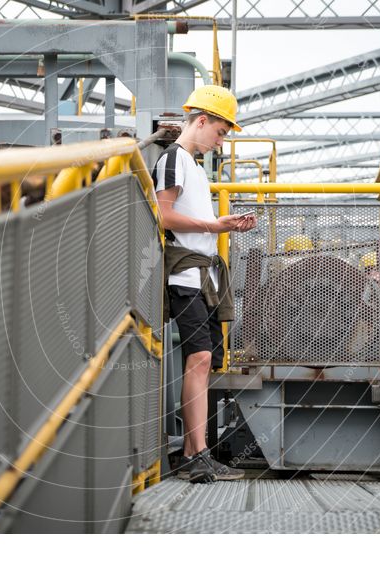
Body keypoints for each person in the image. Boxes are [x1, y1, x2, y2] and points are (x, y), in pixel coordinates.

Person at [152, 85, 257, 483]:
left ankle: (199, 452)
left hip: (202, 275)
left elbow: (190, 220)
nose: (222, 140)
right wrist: (216, 225)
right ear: (201, 121)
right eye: (222, 131)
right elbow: (164, 217)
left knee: (205, 360)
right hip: (186, 276)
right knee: (197, 359)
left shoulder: (193, 167)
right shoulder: (173, 160)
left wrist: (225, 225)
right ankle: (195, 455)